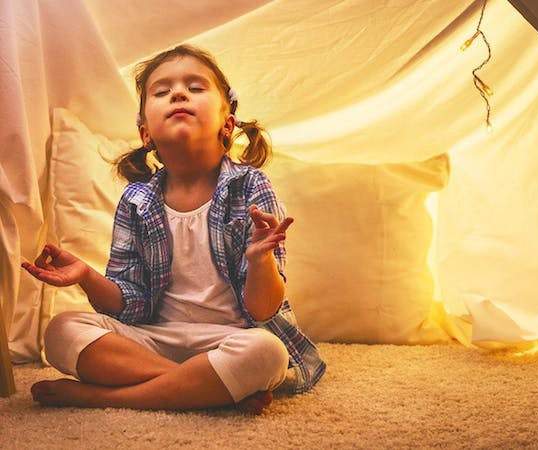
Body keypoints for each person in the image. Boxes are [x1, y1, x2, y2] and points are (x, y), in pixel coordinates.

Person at [21, 44, 325, 413]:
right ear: (145, 132)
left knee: (266, 352)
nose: (178, 93)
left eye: (195, 88)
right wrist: (85, 275)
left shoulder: (250, 186)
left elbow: (263, 310)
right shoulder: (136, 199)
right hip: (153, 339)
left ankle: (105, 396)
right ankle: (206, 389)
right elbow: (129, 309)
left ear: (227, 124)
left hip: (230, 338)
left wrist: (260, 261)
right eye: (162, 92)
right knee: (62, 330)